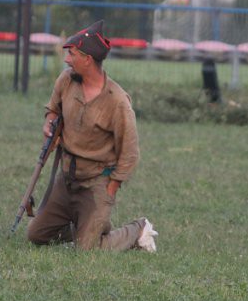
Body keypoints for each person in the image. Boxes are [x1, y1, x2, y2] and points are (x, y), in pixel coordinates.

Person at [26, 20, 157, 252]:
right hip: (66, 179)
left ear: (87, 59)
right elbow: (53, 108)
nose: (67, 59)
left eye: (72, 54)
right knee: (37, 235)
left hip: (97, 183)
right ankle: (88, 228)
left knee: (88, 250)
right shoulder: (66, 80)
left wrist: (111, 187)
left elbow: (130, 152)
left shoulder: (117, 101)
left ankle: (137, 229)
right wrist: (49, 122)